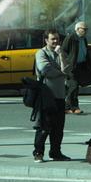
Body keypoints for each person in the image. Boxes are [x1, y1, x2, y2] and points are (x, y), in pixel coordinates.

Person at [33, 29, 70, 163]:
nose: (55, 41)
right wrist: (61, 72)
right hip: (46, 96)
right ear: (46, 40)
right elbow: (46, 70)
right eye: (52, 39)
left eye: (57, 39)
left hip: (60, 96)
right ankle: (38, 153)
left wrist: (61, 55)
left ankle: (56, 152)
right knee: (44, 127)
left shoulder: (60, 52)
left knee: (58, 128)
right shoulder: (41, 53)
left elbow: (67, 69)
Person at [61, 21, 89, 114]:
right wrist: (67, 63)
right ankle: (74, 107)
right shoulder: (71, 38)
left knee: (73, 87)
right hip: (71, 67)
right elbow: (63, 51)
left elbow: (86, 52)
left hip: (80, 66)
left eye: (86, 29)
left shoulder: (84, 39)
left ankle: (67, 107)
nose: (85, 31)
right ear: (77, 29)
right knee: (73, 86)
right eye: (84, 29)